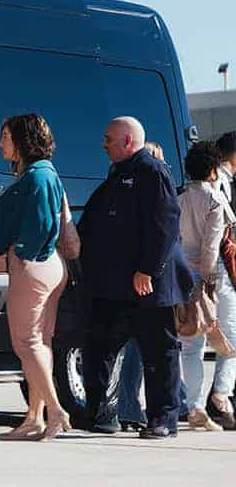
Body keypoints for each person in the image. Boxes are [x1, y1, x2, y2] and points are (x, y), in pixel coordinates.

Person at [79, 117, 196, 439]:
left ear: (128, 141)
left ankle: (163, 418)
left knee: (159, 352)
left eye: (108, 139)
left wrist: (149, 269)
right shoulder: (119, 173)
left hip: (147, 284)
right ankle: (100, 414)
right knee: (98, 344)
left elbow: (165, 223)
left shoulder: (151, 172)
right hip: (115, 283)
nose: (103, 145)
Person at [0, 114, 72, 440]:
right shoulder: (42, 174)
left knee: (27, 343)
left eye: (5, 136)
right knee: (39, 344)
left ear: (22, 140)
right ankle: (34, 418)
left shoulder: (37, 177)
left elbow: (43, 225)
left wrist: (16, 253)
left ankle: (56, 411)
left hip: (33, 267)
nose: (0, 142)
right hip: (47, 267)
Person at [176, 141, 232, 431]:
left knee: (189, 346)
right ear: (213, 170)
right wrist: (208, 280)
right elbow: (212, 246)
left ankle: (194, 407)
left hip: (182, 275)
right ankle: (217, 397)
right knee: (227, 339)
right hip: (209, 278)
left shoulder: (179, 199)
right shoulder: (215, 200)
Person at [115, 139, 168, 431]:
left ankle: (132, 406)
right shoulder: (153, 189)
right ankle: (131, 407)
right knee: (149, 346)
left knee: (142, 345)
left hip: (133, 277)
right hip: (147, 281)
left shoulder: (126, 188)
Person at [209, 131, 236, 429]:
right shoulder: (221, 182)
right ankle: (220, 396)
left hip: (208, 268)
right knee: (231, 338)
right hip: (219, 270)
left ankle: (210, 398)